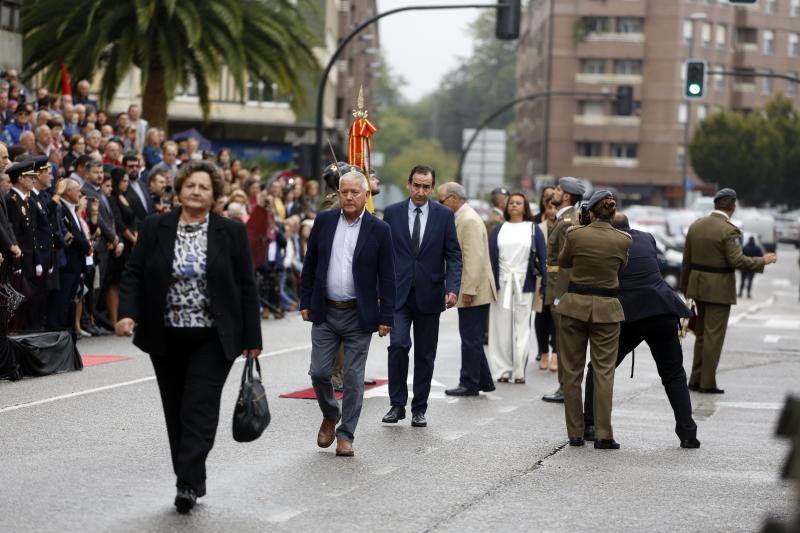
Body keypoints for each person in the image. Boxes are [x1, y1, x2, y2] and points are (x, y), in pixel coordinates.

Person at [116, 160, 262, 513]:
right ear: (180, 190)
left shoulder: (231, 231)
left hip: (214, 336)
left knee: (200, 407)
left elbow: (246, 284)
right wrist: (127, 313)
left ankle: (186, 482)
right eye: (190, 186)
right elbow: (134, 273)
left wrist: (252, 337)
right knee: (176, 410)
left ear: (214, 196)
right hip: (164, 335)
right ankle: (192, 477)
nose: (196, 191)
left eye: (204, 187)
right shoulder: (155, 227)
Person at [300, 170, 396, 457]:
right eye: (345, 192)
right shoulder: (325, 221)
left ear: (366, 196)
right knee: (319, 372)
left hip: (359, 314)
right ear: (338, 194)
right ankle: (331, 413)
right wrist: (305, 300)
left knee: (353, 378)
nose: (350, 197)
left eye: (356, 192)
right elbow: (311, 264)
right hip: (326, 311)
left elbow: (388, 276)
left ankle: (346, 435)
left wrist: (386, 316)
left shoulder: (379, 230)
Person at [584, 213, 699, 448]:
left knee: (599, 367)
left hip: (629, 313)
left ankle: (590, 425)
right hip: (662, 309)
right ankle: (688, 433)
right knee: (674, 374)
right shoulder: (647, 238)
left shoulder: (607, 243)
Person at [381, 165, 462, 428]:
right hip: (398, 294)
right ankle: (396, 405)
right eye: (416, 185)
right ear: (409, 184)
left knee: (425, 354)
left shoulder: (443, 216)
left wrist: (452, 287)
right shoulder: (392, 213)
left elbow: (454, 255)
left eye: (426, 187)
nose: (420, 191)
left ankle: (419, 409)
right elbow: (382, 254)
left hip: (430, 294)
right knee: (399, 346)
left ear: (432, 188)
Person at [681, 188, 776, 394]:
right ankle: (707, 383)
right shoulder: (728, 230)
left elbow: (686, 259)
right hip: (718, 289)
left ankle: (695, 379)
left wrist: (685, 288)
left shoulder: (696, 226)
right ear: (732, 206)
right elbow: (737, 260)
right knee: (713, 337)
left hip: (697, 286)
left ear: (716, 205)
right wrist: (763, 260)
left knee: (701, 334)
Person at [556, 190, 631, 449]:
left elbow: (564, 262)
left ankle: (575, 433)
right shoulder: (623, 240)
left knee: (572, 372)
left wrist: (579, 228)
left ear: (590, 211)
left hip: (575, 306)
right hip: (607, 309)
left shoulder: (575, 234)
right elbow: (621, 268)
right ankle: (603, 434)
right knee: (604, 373)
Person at [437, 182, 497, 396]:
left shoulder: (468, 220)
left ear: (454, 198)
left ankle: (469, 383)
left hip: (474, 289)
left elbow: (474, 258)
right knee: (472, 337)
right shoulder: (462, 217)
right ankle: (484, 380)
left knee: (470, 338)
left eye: (441, 200)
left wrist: (469, 290)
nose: (439, 204)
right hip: (473, 287)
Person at [487, 192, 547, 383]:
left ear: (525, 206)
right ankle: (503, 370)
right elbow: (491, 258)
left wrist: (544, 285)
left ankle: (519, 371)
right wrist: (491, 284)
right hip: (502, 283)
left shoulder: (533, 228)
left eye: (518, 203)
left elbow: (543, 259)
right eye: (511, 202)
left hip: (525, 283)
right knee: (500, 328)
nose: (514, 205)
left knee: (522, 328)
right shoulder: (498, 229)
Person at [542, 176, 585, 403]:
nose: (554, 192)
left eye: (558, 190)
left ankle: (566, 389)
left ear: (566, 196)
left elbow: (567, 264)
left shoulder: (568, 221)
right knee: (561, 341)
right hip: (555, 287)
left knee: (565, 344)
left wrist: (561, 295)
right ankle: (564, 388)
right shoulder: (563, 218)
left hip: (562, 290)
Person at [48, 178, 91, 330]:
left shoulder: (73, 208)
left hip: (76, 263)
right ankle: (57, 330)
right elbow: (71, 233)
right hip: (67, 262)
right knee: (61, 300)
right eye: (77, 190)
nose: (80, 193)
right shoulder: (62, 208)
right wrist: (86, 246)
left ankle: (65, 329)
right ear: (67, 192)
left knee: (69, 300)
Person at [535, 198, 558, 370]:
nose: (553, 211)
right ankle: (543, 352)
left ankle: (556, 353)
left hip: (560, 278)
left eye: (556, 207)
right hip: (541, 277)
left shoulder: (567, 225)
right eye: (550, 207)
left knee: (557, 318)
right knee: (541, 316)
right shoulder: (538, 228)